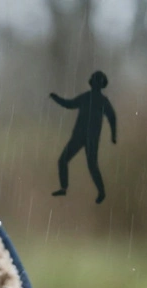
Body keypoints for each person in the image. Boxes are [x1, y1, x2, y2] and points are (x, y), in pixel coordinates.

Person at [51, 70, 117, 204]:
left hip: (88, 137)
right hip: (81, 136)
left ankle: (101, 192)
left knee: (89, 165)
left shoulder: (100, 101)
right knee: (65, 160)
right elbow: (69, 104)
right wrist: (56, 98)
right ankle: (65, 188)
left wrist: (113, 135)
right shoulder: (89, 98)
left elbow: (112, 118)